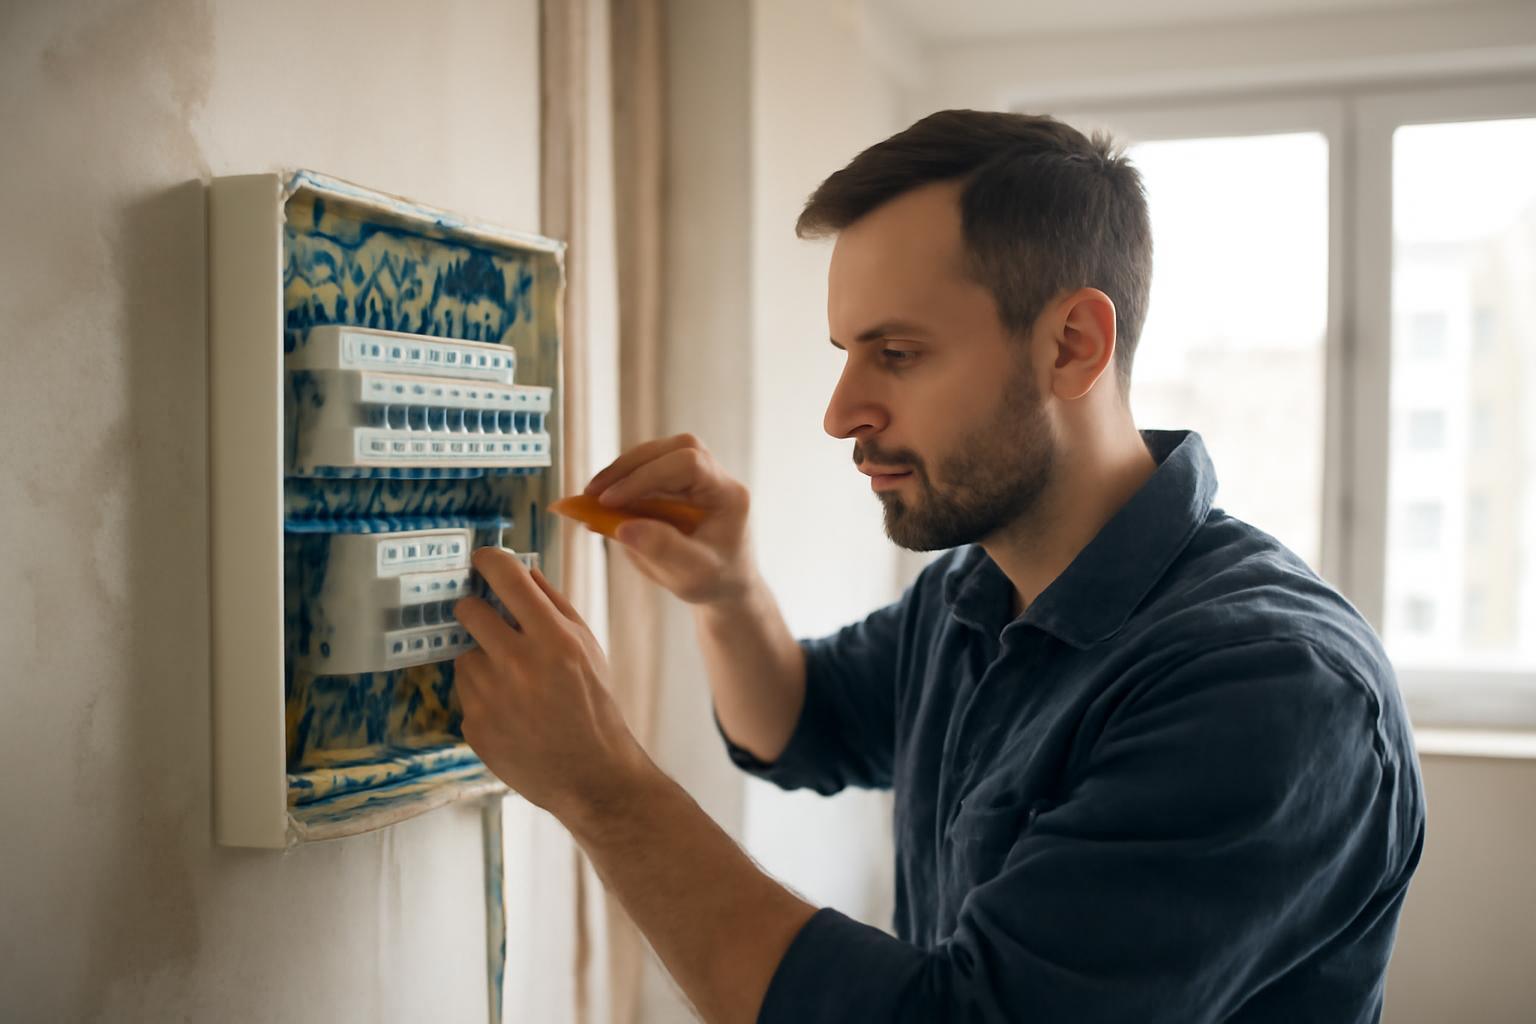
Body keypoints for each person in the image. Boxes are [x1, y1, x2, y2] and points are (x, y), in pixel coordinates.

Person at [451, 109, 1426, 1024]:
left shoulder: (1270, 690)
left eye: (899, 353)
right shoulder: (976, 590)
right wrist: (728, 589)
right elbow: (802, 723)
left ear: (1073, 347)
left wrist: (601, 786)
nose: (840, 412)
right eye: (846, 352)